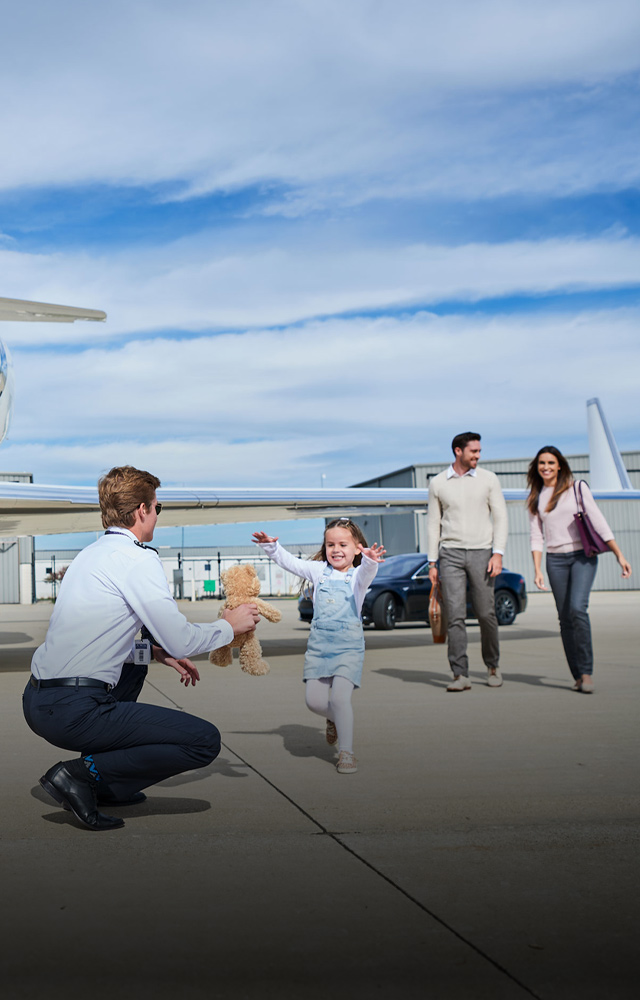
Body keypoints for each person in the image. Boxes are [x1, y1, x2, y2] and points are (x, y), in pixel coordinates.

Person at [24, 465, 260, 832]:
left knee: (136, 664)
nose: (156, 516)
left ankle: (110, 784)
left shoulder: (89, 555)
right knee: (203, 741)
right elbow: (180, 637)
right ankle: (79, 775)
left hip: (38, 702)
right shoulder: (138, 558)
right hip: (75, 712)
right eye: (157, 508)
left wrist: (156, 654)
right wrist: (228, 627)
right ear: (142, 511)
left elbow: (100, 641)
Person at [252, 519, 385, 774]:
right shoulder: (318, 571)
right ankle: (334, 718)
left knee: (339, 698)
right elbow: (291, 563)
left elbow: (368, 573)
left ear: (357, 548)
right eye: (330, 544)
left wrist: (369, 560)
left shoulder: (357, 576)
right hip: (319, 647)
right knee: (313, 702)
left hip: (349, 648)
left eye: (343, 544)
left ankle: (347, 753)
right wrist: (272, 548)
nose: (336, 549)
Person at [527, 446, 632, 693]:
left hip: (582, 557)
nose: (546, 467)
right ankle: (576, 674)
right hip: (555, 560)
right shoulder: (536, 496)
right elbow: (536, 536)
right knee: (565, 618)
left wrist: (619, 554)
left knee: (577, 609)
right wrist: (537, 569)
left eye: (551, 463)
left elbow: (598, 520)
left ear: (560, 465)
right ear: (537, 467)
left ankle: (586, 673)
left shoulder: (576, 488)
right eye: (542, 463)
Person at [427, 432, 508, 691]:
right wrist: (432, 562)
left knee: (486, 614)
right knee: (455, 617)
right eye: (474, 451)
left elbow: (501, 518)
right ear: (458, 451)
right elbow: (432, 525)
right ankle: (460, 674)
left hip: (482, 553)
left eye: (479, 451)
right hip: (449, 554)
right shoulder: (438, 483)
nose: (478, 455)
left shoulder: (489, 480)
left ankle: (492, 665)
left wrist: (498, 552)